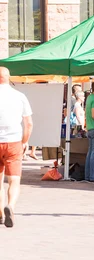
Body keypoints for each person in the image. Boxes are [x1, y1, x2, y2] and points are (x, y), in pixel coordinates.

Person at [0, 67, 33, 228]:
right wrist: (24, 141)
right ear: (8, 78)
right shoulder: (19, 96)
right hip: (13, 142)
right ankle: (11, 206)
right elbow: (29, 123)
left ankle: (0, 212)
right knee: (14, 180)